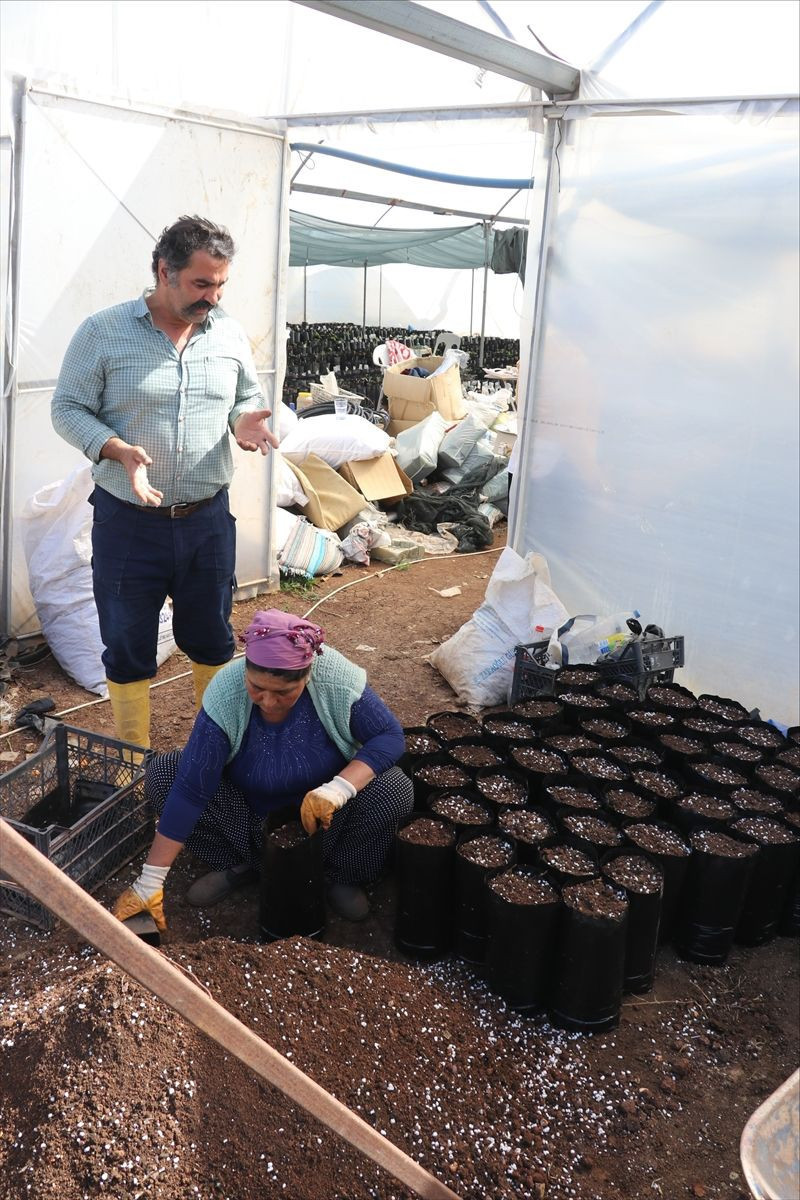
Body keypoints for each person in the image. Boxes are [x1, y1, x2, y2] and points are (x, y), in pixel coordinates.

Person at [51, 215, 279, 750]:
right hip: (128, 522)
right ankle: (136, 758)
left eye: (221, 284)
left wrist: (242, 418)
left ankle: (210, 754)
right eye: (201, 284)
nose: (213, 297)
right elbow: (67, 408)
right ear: (163, 271)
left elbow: (245, 395)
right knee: (127, 642)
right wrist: (116, 449)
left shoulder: (227, 332)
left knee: (210, 638)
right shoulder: (103, 332)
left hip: (206, 519)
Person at [112, 610, 414, 924]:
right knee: (163, 775)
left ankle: (340, 875)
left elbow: (389, 735)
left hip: (326, 817)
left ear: (307, 675)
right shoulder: (226, 693)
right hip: (246, 813)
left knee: (394, 790)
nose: (268, 702)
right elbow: (191, 788)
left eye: (284, 692)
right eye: (257, 688)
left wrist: (339, 789)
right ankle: (244, 865)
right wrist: (149, 881)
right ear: (246, 670)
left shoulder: (336, 680)